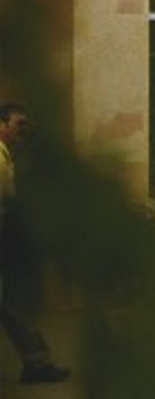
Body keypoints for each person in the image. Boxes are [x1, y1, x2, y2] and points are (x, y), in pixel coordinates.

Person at [0, 103, 70, 384]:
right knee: (16, 304)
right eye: (18, 124)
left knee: (15, 305)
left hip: (11, 241)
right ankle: (37, 363)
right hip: (8, 241)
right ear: (2, 124)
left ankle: (37, 362)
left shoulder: (8, 156)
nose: (22, 130)